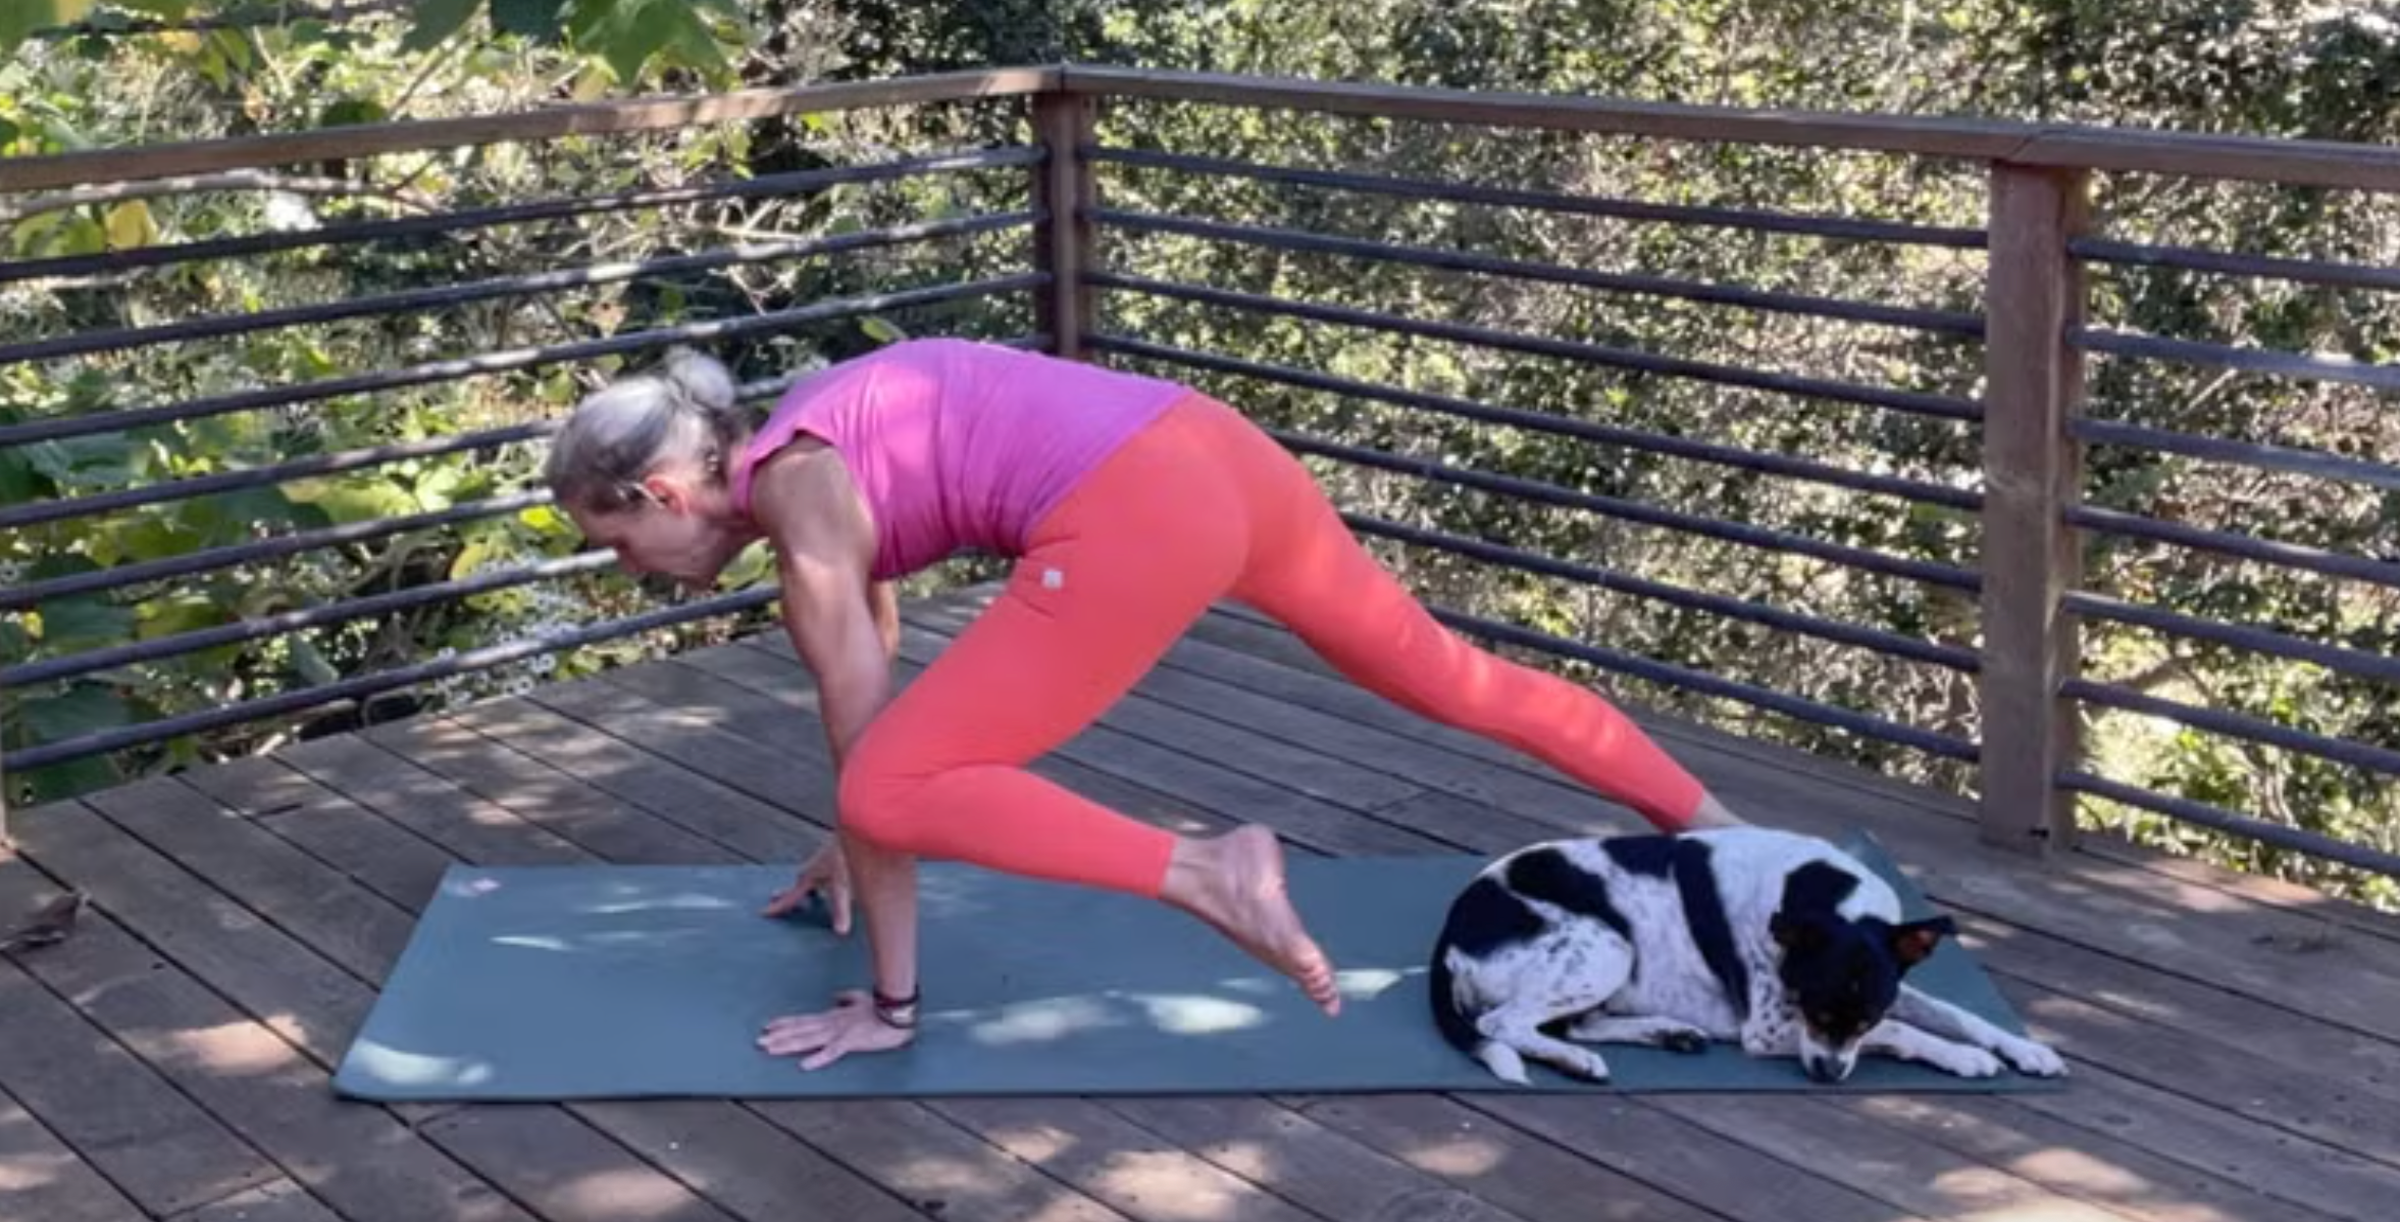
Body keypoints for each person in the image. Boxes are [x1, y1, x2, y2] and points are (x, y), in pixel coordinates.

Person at [541, 335, 1746, 1070]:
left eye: (616, 540)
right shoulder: (818, 441)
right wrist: (846, 834)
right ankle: (1723, 831)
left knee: (891, 787)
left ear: (662, 492)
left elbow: (882, 775)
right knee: (1450, 675)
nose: (624, 569)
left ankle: (1208, 872)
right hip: (1213, 453)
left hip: (1131, 510)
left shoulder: (803, 525)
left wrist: (892, 1008)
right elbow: (881, 711)